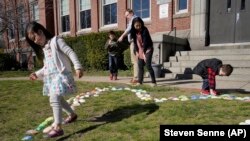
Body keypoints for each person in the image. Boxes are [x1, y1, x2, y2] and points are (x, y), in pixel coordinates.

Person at [25, 21, 83, 138]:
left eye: (34, 37)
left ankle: (58, 126)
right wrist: (37, 74)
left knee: (54, 97)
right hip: (52, 78)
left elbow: (70, 52)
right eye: (32, 40)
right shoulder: (45, 49)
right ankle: (72, 115)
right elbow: (47, 67)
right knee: (58, 98)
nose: (35, 41)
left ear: (40, 32)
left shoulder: (57, 41)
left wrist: (78, 66)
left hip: (62, 75)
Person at [130, 17, 157, 87]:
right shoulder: (133, 32)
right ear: (133, 25)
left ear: (141, 24)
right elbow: (135, 43)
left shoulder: (145, 30)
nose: (138, 27)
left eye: (139, 25)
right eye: (136, 26)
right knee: (140, 66)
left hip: (148, 48)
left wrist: (144, 54)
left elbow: (145, 43)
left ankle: (154, 82)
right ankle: (140, 82)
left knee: (148, 65)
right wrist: (136, 52)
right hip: (139, 49)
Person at [118, 9, 138, 84]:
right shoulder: (133, 20)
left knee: (135, 60)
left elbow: (129, 29)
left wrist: (122, 36)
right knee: (135, 61)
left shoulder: (134, 19)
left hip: (134, 42)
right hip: (133, 42)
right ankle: (136, 77)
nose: (127, 17)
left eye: (127, 15)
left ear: (131, 13)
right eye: (126, 16)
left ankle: (136, 78)